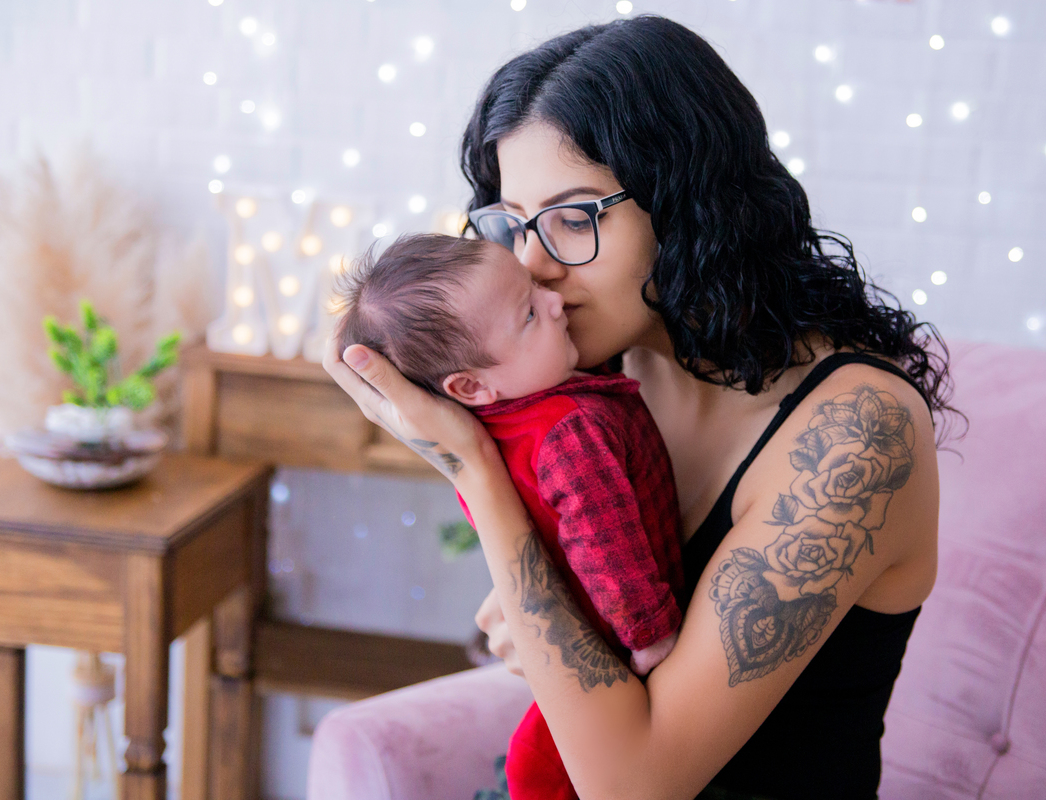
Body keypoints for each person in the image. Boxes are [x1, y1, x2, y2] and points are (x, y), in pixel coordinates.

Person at [323, 14, 954, 800]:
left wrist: (474, 470)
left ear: (689, 201)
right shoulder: (598, 373)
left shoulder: (857, 434)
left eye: (574, 217)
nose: (533, 265)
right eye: (513, 224)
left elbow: (633, 786)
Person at [331, 232, 685, 800]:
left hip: (578, 639)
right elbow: (606, 546)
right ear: (471, 386)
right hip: (614, 649)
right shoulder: (567, 431)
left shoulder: (504, 421)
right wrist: (650, 634)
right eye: (529, 314)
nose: (555, 301)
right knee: (539, 769)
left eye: (535, 288)